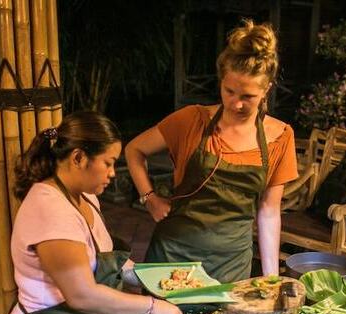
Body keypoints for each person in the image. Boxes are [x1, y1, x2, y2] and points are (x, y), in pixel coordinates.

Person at [1, 111, 184, 314]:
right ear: (78, 158)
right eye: (108, 163)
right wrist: (151, 306)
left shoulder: (85, 197)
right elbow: (81, 295)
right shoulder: (50, 209)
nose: (113, 173)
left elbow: (103, 260)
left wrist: (153, 277)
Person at [125, 19, 298, 283]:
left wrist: (271, 278)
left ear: (266, 90)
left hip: (230, 265)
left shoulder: (280, 137)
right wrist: (149, 198)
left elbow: (269, 211)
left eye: (248, 96)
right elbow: (134, 149)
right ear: (221, 81)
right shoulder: (191, 120)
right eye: (229, 91)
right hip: (173, 255)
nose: (236, 104)